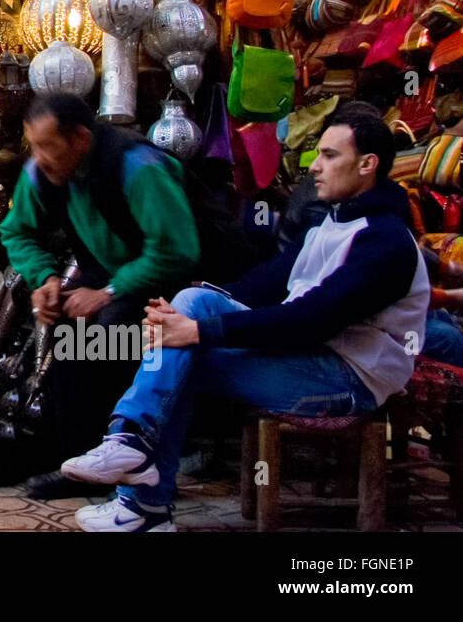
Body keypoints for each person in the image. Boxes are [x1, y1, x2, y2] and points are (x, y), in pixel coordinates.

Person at [60, 104, 430, 532]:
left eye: (330, 156)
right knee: (191, 307)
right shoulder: (331, 225)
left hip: (350, 380)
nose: (315, 167)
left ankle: (143, 498)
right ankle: (132, 449)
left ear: (367, 165)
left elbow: (310, 320)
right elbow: (264, 284)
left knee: (187, 347)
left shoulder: (385, 241)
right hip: (312, 357)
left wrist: (198, 330)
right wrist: (181, 314)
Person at [0, 93, 199, 499]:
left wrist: (108, 292)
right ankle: (78, 462)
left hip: (178, 276)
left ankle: (143, 459)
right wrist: (46, 277)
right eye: (32, 145)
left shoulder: (137, 167)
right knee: (66, 325)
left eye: (47, 146)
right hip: (110, 271)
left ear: (81, 138)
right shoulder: (43, 172)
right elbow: (17, 231)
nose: (38, 157)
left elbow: (176, 251)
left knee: (110, 334)